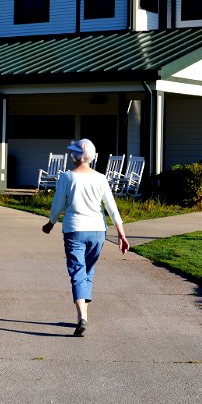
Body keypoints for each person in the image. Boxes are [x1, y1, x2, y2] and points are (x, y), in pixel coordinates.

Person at [42, 138, 129, 337]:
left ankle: (82, 316)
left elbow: (58, 204)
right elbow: (111, 208)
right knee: (87, 270)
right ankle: (84, 316)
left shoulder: (67, 177)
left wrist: (51, 223)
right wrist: (121, 234)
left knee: (77, 271)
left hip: (74, 230)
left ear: (75, 156)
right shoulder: (100, 178)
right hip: (98, 231)